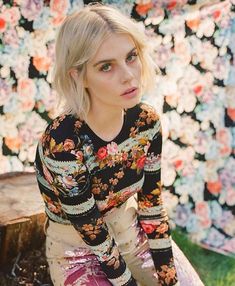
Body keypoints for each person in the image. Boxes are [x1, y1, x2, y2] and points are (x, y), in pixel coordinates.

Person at [34, 3, 204, 286]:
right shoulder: (62, 143)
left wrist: (168, 275)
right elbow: (91, 229)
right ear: (79, 75)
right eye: (106, 67)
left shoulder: (146, 122)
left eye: (131, 57)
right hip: (79, 251)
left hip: (132, 235)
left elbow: (151, 203)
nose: (128, 75)